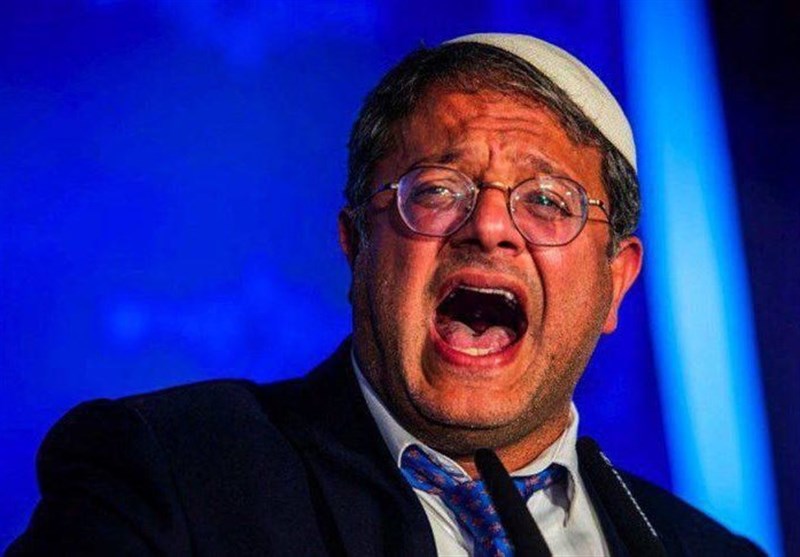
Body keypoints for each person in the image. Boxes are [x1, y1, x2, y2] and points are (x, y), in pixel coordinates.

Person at [6, 33, 764, 556]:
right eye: (437, 189)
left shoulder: (709, 550)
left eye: (546, 201)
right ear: (356, 244)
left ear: (615, 280)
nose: (489, 226)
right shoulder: (170, 471)